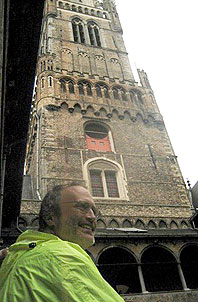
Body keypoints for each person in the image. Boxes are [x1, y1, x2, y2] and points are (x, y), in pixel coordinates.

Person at [0, 183, 124, 302]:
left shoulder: (19, 257)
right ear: (50, 217)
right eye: (82, 207)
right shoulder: (61, 256)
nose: (92, 217)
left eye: (95, 211)